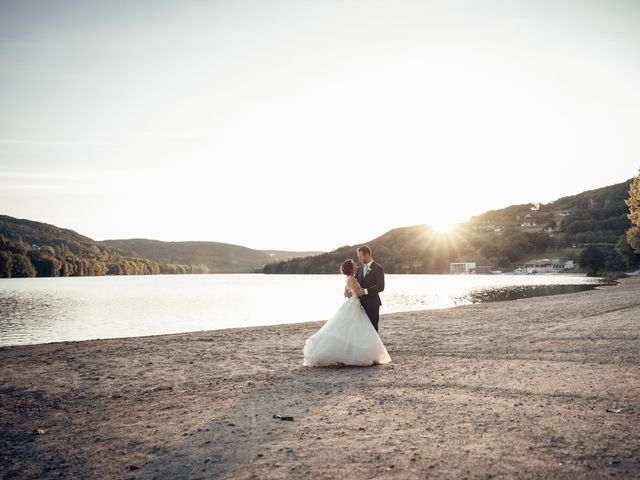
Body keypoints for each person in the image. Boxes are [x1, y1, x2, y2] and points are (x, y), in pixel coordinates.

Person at [302, 258, 391, 367]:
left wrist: (349, 293)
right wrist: (361, 292)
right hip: (354, 304)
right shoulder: (352, 279)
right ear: (351, 267)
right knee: (353, 329)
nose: (356, 264)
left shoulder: (350, 278)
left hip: (354, 304)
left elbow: (347, 291)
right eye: (354, 264)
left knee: (353, 329)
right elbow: (358, 293)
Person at [347, 245, 384, 332]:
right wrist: (349, 292)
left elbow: (381, 286)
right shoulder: (359, 269)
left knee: (373, 328)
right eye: (358, 257)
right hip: (359, 304)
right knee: (361, 329)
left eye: (361, 256)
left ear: (368, 255)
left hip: (372, 304)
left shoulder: (378, 268)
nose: (360, 259)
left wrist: (365, 291)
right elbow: (355, 284)